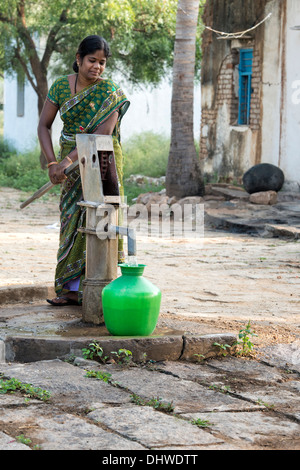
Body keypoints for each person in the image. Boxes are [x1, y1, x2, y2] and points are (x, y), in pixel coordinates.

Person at [38, 35, 130, 306]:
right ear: (78, 59)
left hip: (102, 162)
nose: (97, 67)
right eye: (92, 60)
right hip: (68, 163)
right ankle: (69, 289)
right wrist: (53, 162)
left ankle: (102, 290)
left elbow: (102, 134)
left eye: (102, 62)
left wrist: (66, 163)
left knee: (101, 221)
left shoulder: (111, 92)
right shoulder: (59, 87)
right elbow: (44, 125)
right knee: (71, 220)